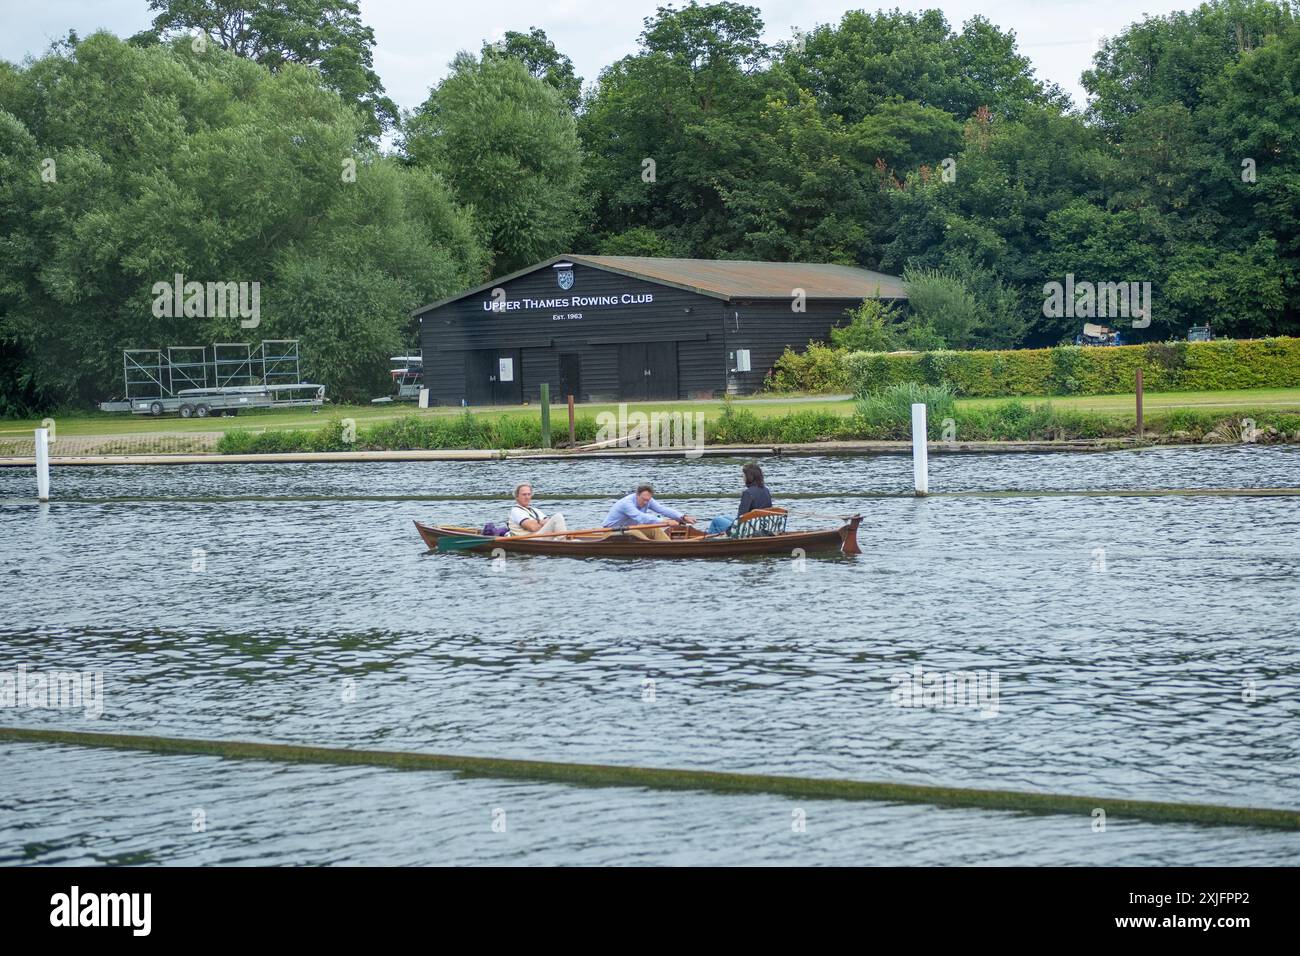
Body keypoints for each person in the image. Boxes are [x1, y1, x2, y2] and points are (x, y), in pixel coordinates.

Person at [603, 484, 696, 541]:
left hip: (629, 528)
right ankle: (653, 549)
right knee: (635, 532)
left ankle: (668, 546)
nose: (646, 502)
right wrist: (666, 522)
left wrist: (683, 517)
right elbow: (641, 518)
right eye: (644, 499)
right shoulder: (626, 503)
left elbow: (662, 509)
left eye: (648, 500)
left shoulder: (648, 499)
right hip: (611, 532)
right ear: (637, 495)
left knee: (655, 530)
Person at [707, 462, 773, 535]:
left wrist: (728, 531)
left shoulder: (748, 493)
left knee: (716, 520)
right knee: (724, 517)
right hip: (761, 525)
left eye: (743, 476)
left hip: (748, 529)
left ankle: (708, 542)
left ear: (749, 477)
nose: (743, 478)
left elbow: (741, 517)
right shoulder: (766, 490)